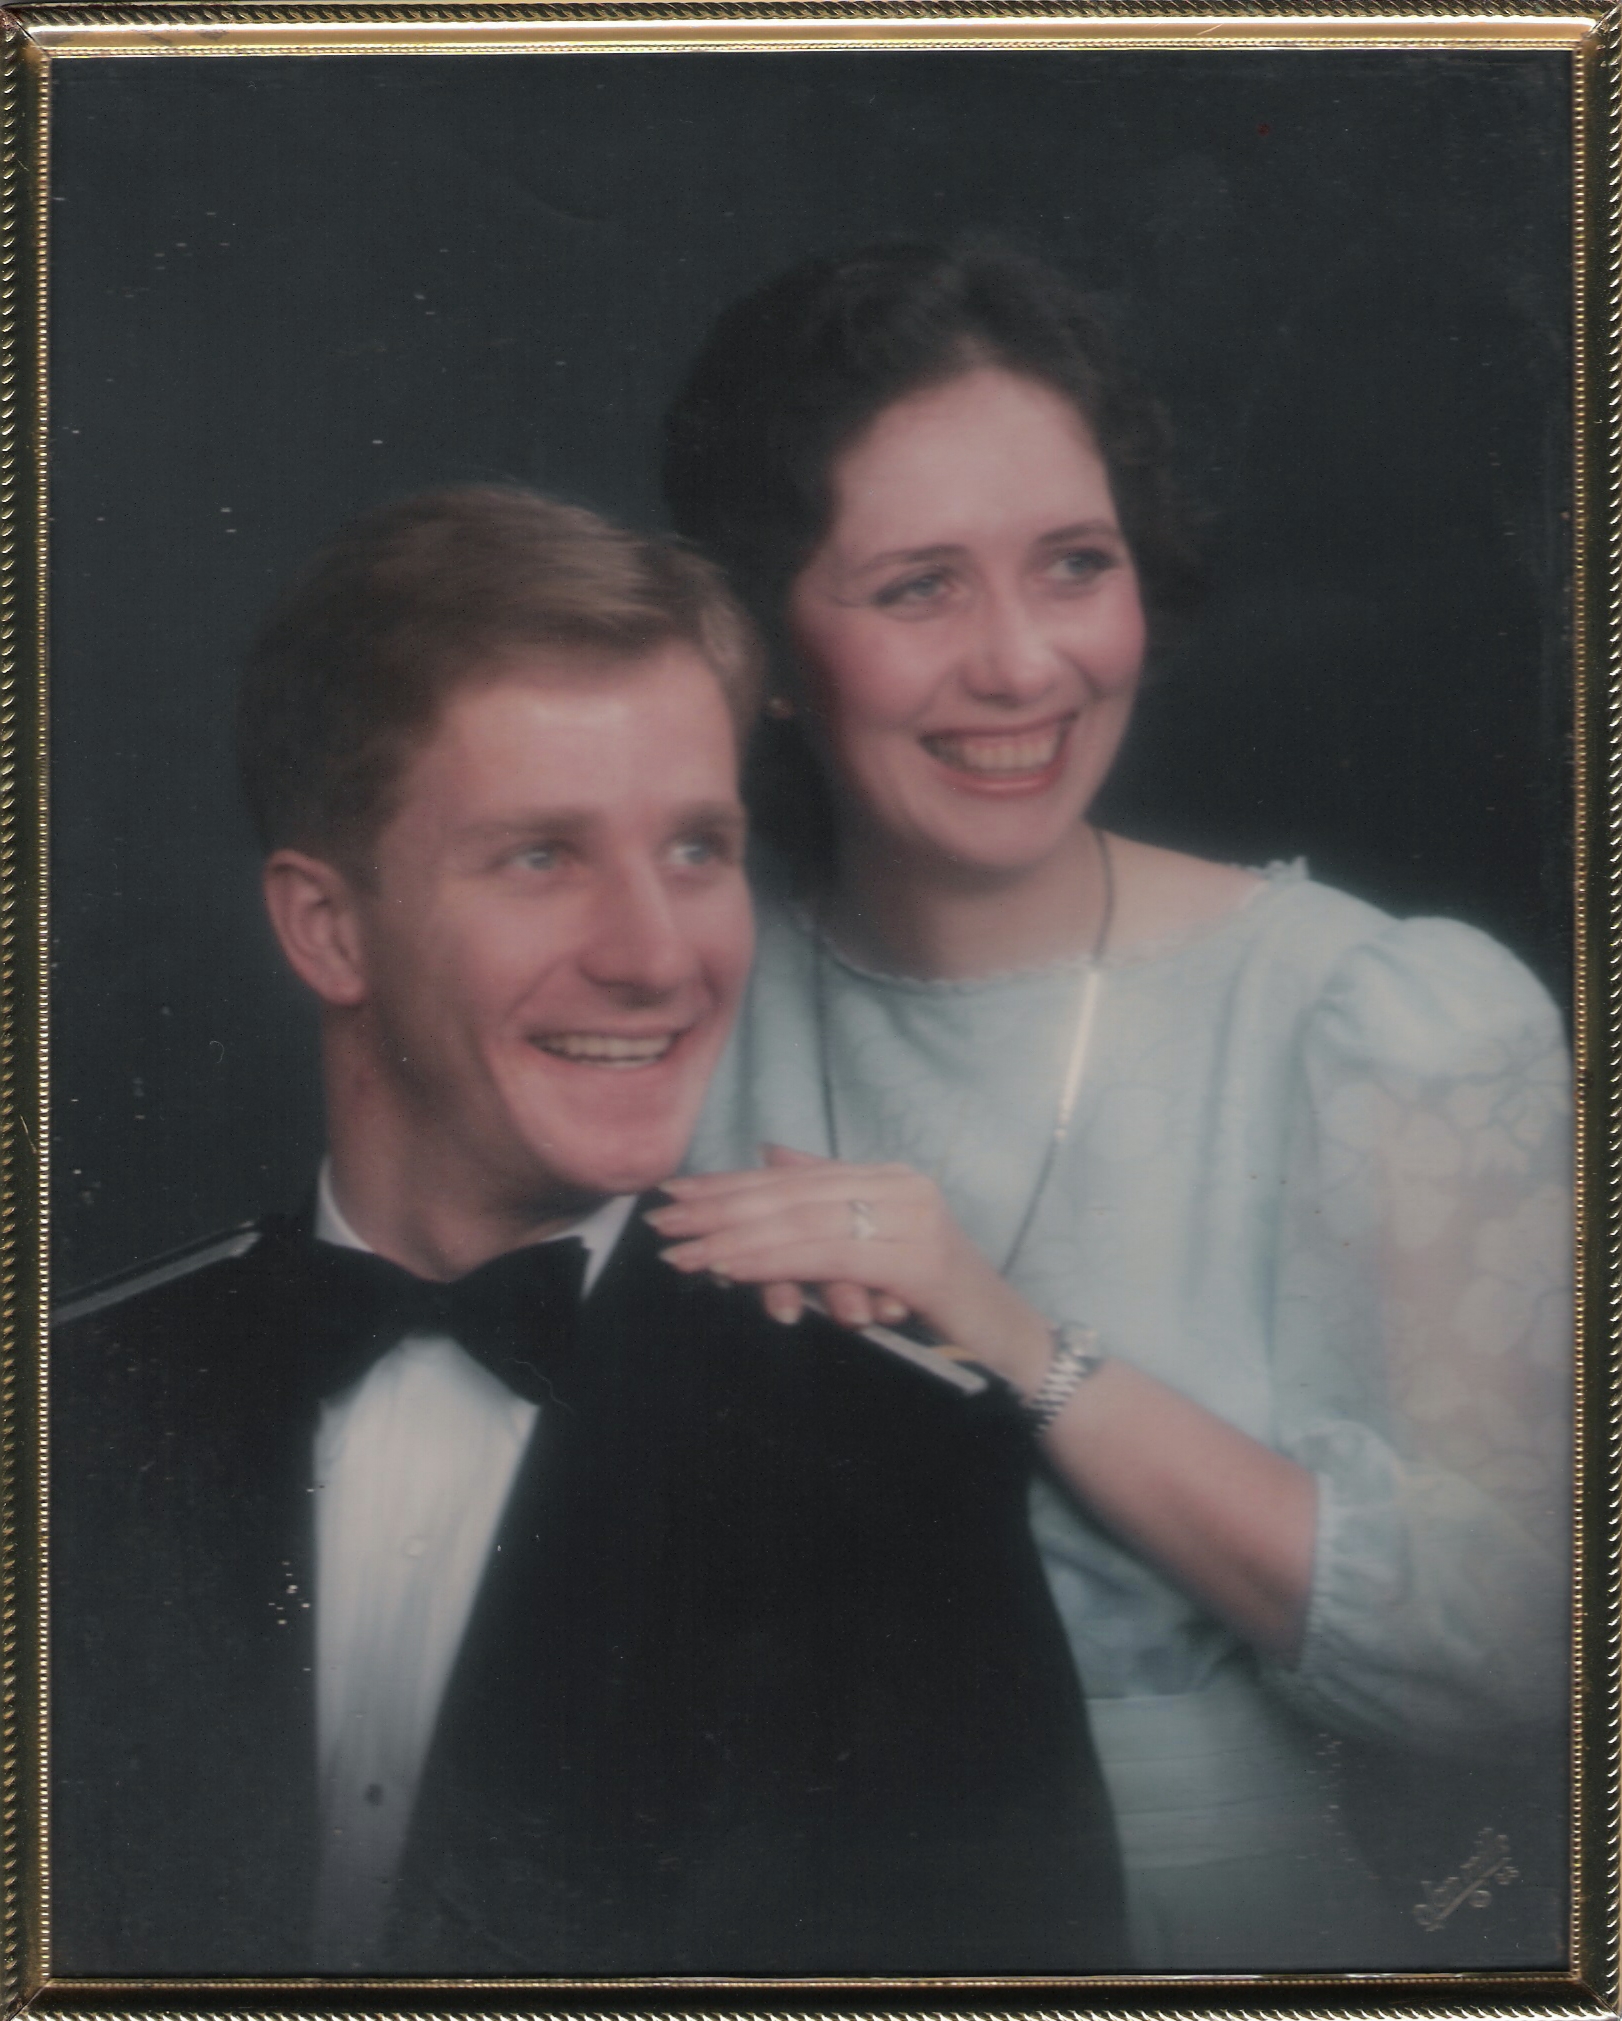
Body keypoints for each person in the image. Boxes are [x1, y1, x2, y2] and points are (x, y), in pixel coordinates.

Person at [50, 485, 1128, 1977]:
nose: (654, 955)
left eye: (695, 850)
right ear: (328, 929)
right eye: (541, 856)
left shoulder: (891, 1468)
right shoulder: (64, 1410)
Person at [659, 242, 1573, 1971]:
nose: (1020, 664)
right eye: (917, 586)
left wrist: (1014, 1337)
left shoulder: (1382, 1018)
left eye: (1073, 566)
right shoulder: (675, 990)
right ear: (768, 643)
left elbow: (1509, 1661)